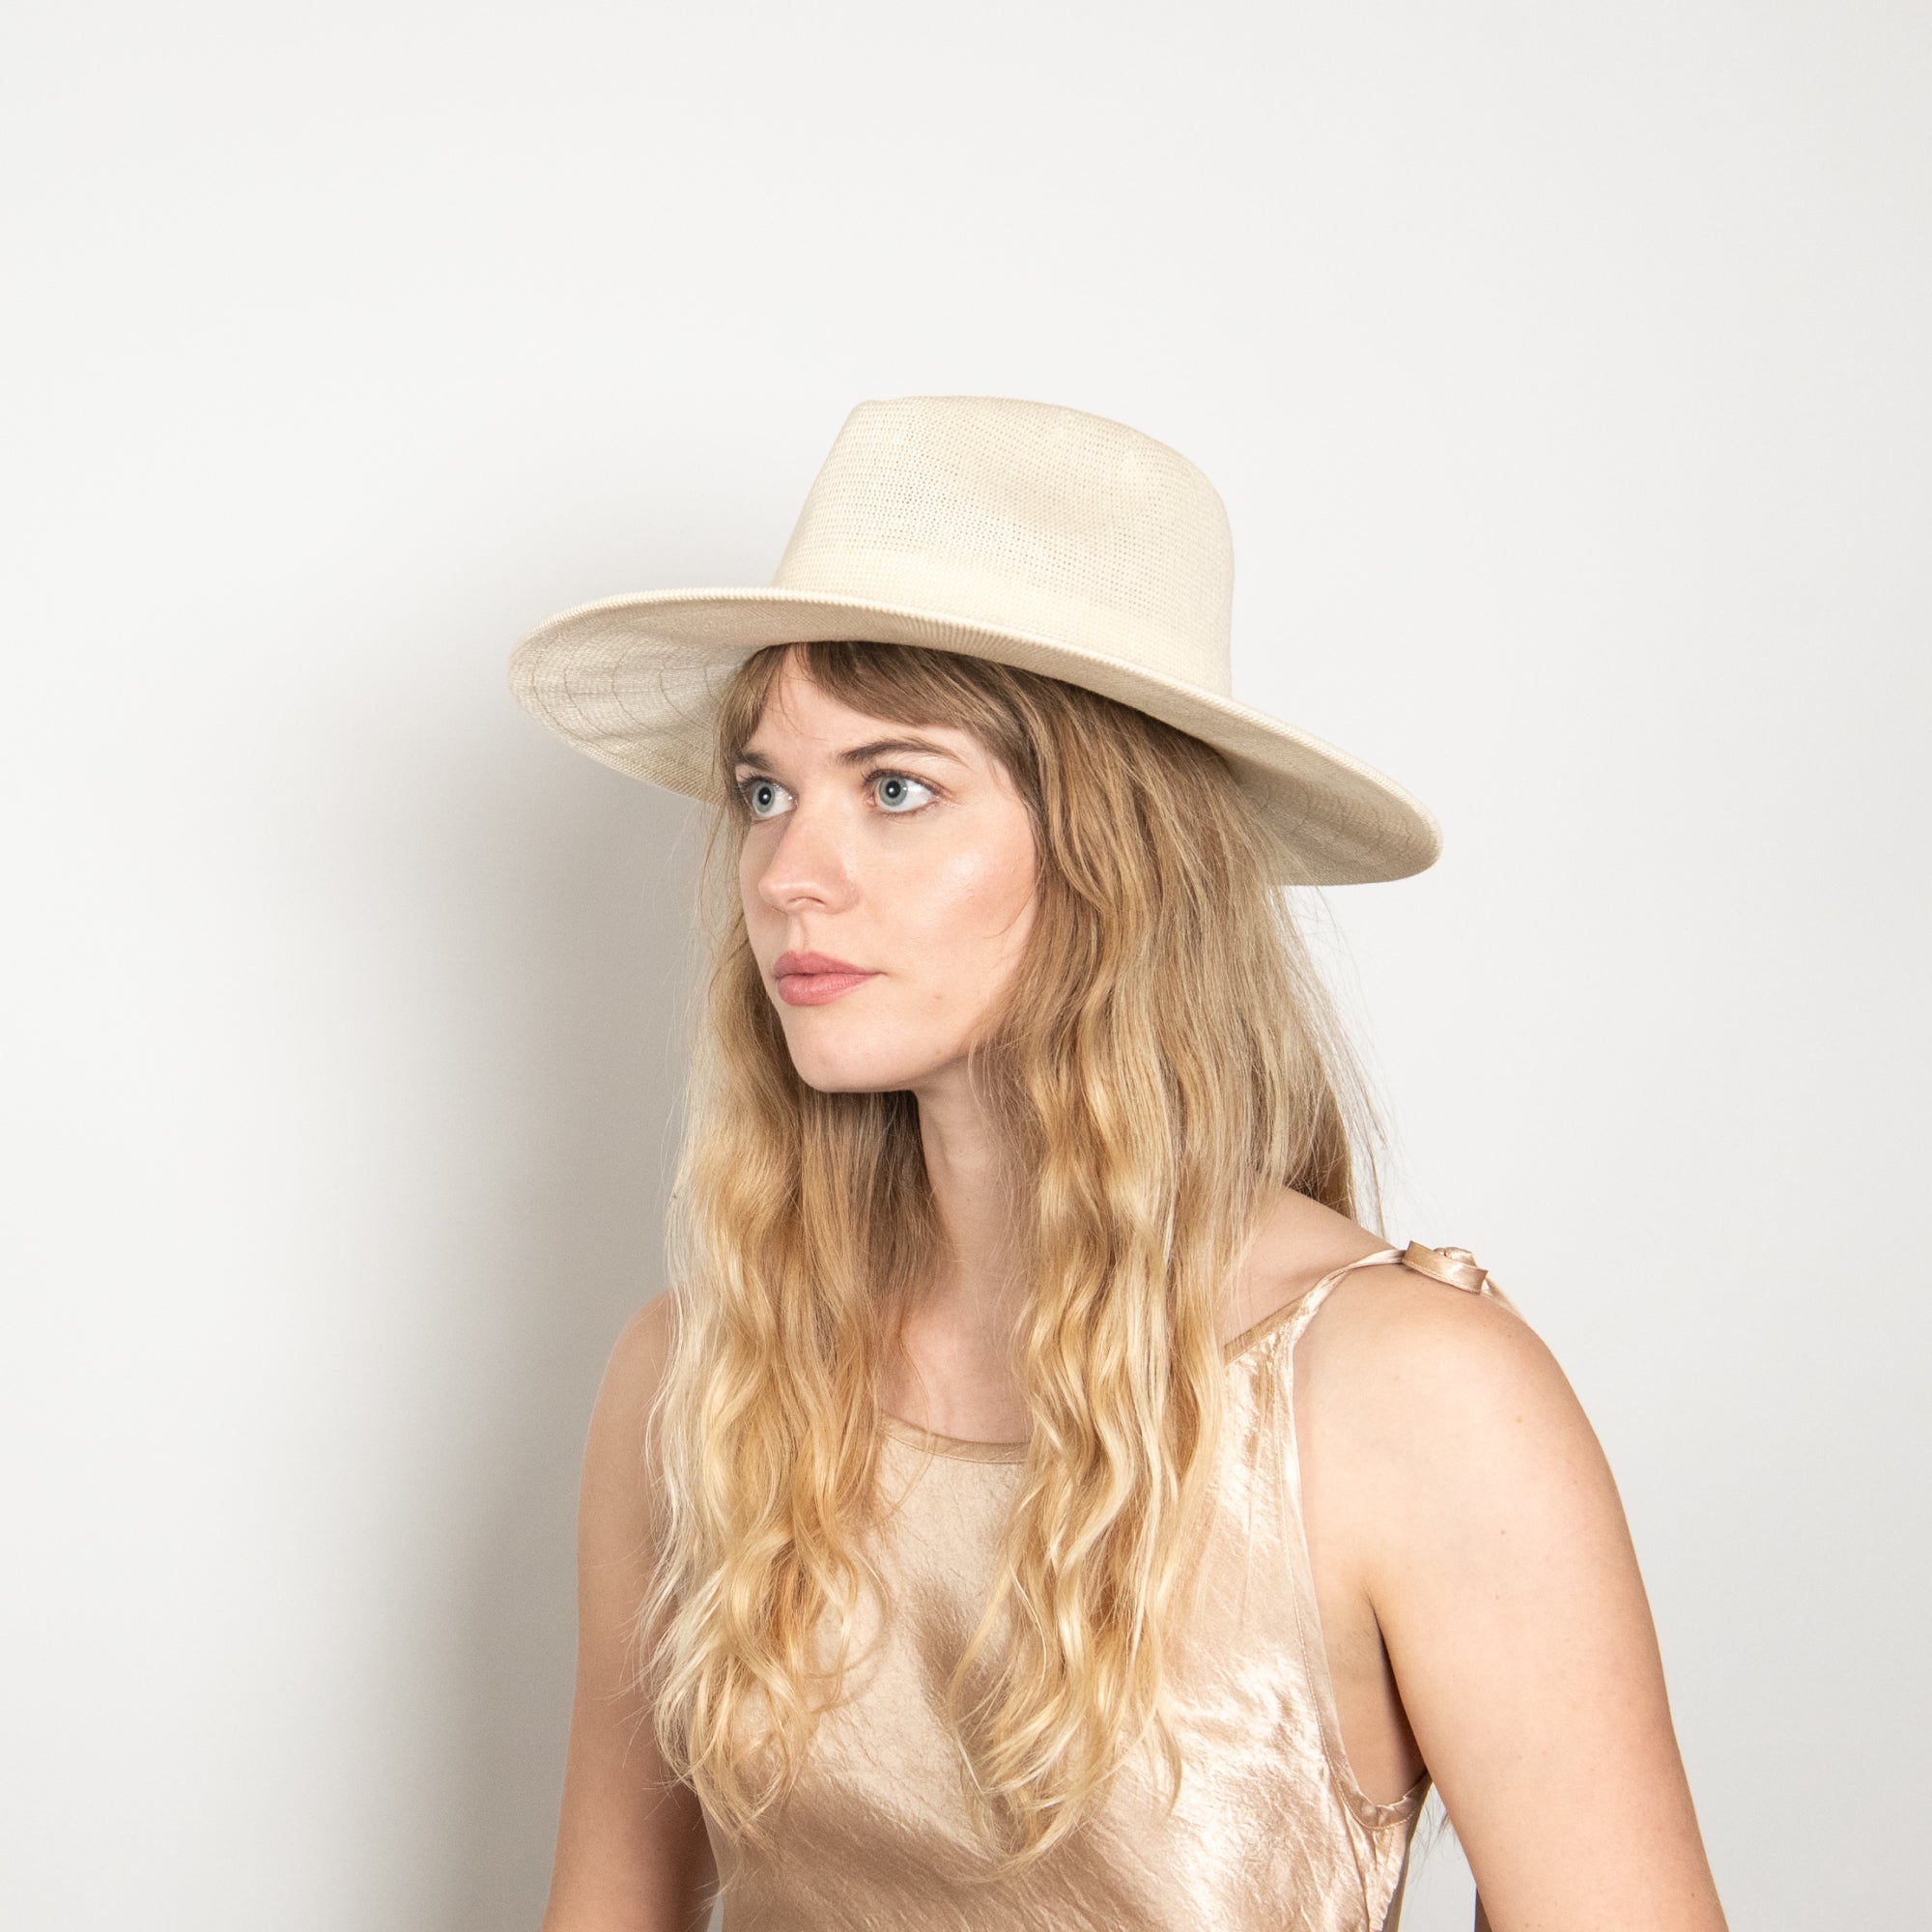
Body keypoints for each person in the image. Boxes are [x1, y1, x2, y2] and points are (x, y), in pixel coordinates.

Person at [508, 396, 1728, 1932]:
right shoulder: (700, 1378)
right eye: (768, 791)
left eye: (895, 787)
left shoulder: (1407, 1395)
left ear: (1114, 854)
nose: (788, 876)